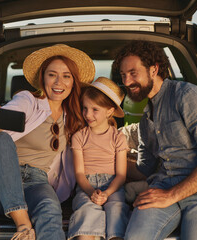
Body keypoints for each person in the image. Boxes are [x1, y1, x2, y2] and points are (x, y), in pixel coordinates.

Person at [0, 44, 95, 240]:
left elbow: (95, 143)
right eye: (52, 74)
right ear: (42, 78)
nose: (59, 82)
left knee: (50, 208)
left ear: (73, 82)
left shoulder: (73, 118)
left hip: (37, 182)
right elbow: (13, 113)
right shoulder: (28, 100)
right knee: (0, 139)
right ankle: (23, 226)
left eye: (66, 76)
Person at [112, 40, 197, 240]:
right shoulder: (145, 120)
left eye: (133, 73)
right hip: (163, 186)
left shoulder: (188, 96)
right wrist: (109, 156)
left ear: (154, 69)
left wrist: (171, 196)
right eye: (123, 75)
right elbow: (144, 169)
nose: (126, 81)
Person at [67, 77, 129, 240]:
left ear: (109, 111)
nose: (87, 114)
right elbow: (79, 173)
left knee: (116, 209)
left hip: (113, 185)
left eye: (95, 109)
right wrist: (92, 193)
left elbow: (121, 175)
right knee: (87, 210)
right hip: (86, 185)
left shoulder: (118, 137)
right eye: (85, 108)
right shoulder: (79, 137)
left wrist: (106, 193)